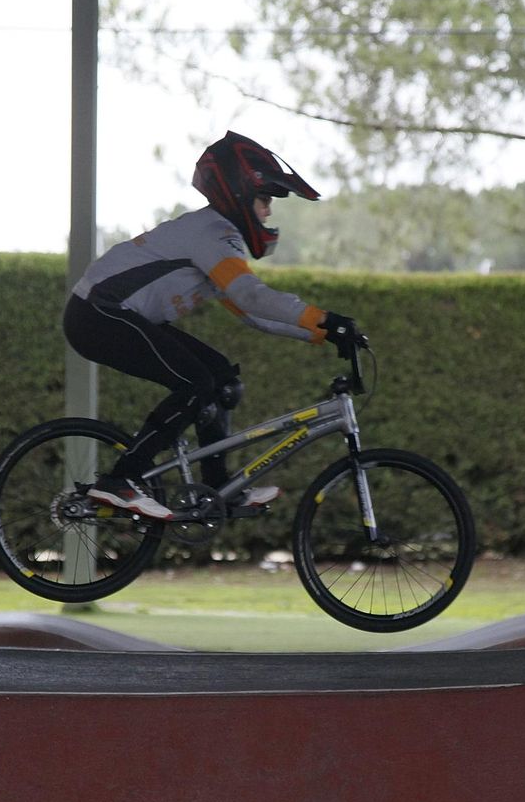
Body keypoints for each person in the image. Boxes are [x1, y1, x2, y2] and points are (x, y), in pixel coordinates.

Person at [63, 130, 364, 519]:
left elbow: (252, 314)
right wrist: (325, 319)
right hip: (98, 314)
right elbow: (252, 296)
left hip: (117, 315)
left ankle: (218, 488)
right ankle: (120, 479)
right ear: (240, 194)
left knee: (222, 380)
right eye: (265, 200)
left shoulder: (216, 238)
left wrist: (322, 333)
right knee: (195, 384)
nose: (269, 212)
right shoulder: (212, 234)